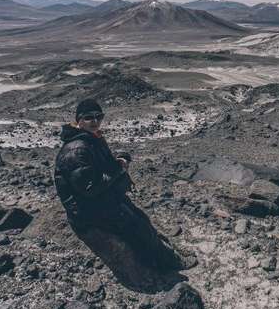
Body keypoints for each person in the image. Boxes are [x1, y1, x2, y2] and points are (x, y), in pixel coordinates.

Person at [54, 98, 192, 275]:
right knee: (138, 227)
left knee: (141, 218)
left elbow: (100, 167)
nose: (95, 121)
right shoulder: (77, 149)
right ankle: (168, 263)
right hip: (88, 210)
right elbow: (90, 187)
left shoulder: (90, 139)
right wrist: (118, 169)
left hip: (102, 199)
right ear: (78, 120)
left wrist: (119, 159)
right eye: (89, 117)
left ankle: (166, 252)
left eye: (98, 116)